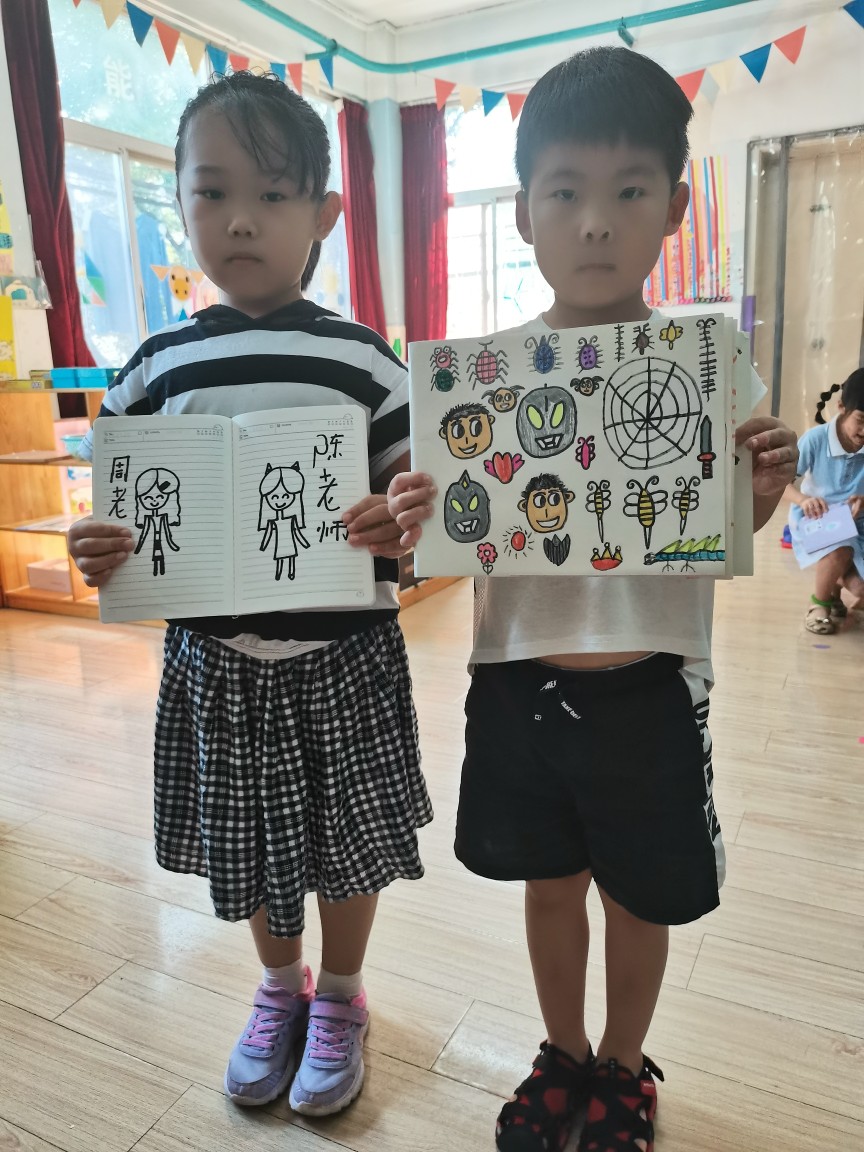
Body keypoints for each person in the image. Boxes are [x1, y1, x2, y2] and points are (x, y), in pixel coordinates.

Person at [388, 47, 798, 1152]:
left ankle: (623, 1064)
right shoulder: (480, 380)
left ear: (674, 208)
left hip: (653, 686)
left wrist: (761, 484)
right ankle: (563, 1051)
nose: (597, 222)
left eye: (629, 191)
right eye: (565, 191)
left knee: (640, 895)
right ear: (525, 211)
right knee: (548, 884)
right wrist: (419, 508)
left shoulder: (708, 364)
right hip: (517, 682)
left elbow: (732, 527)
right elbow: (449, 534)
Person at [68, 71, 431, 1119]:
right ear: (177, 203)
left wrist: (399, 522)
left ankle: (342, 997)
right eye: (212, 192)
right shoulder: (151, 370)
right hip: (215, 664)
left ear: (324, 214)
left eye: (273, 195)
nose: (239, 219)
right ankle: (280, 989)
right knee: (258, 843)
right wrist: (97, 547)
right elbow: (119, 518)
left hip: (345, 657)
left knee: (347, 841)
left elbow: (416, 507)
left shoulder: (365, 360)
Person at [785, 368, 864, 633]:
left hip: (859, 521)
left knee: (860, 587)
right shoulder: (816, 439)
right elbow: (782, 484)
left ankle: (835, 591)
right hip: (817, 517)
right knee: (841, 547)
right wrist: (803, 500)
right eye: (861, 420)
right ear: (841, 407)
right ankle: (819, 603)